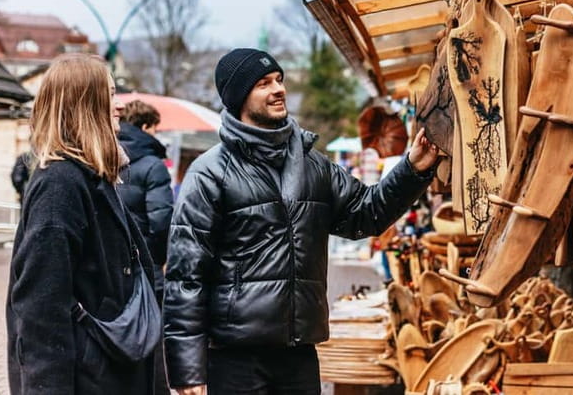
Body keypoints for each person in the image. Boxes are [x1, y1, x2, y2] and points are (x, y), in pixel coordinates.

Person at [164, 48, 438, 395]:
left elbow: (365, 214)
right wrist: (187, 371)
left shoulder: (312, 164)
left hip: (298, 355)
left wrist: (413, 170)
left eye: (279, 80)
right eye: (263, 83)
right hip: (235, 359)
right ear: (238, 98)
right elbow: (186, 278)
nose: (278, 89)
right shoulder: (210, 173)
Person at [6, 54, 160, 395]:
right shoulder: (60, 184)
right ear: (84, 104)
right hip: (88, 378)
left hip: (109, 372)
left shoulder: (93, 178)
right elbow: (40, 311)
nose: (118, 106)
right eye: (109, 94)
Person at [117, 100, 174, 300]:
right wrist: (162, 259)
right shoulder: (153, 166)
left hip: (111, 263)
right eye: (154, 130)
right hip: (145, 262)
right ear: (145, 127)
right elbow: (161, 221)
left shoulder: (104, 155)